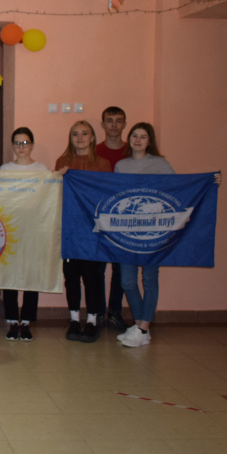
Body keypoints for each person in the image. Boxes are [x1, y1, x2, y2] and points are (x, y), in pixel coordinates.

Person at [114, 122, 221, 347]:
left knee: (149, 279)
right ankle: (140, 327)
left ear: (149, 141)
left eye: (143, 136)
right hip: (128, 233)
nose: (137, 140)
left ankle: (143, 327)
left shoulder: (160, 164)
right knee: (127, 281)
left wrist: (210, 182)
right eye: (134, 135)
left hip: (155, 234)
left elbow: (179, 188)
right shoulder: (121, 165)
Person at [55, 120, 111, 343]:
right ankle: (74, 320)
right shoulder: (63, 162)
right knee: (71, 278)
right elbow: (55, 193)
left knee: (92, 277)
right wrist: (57, 177)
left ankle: (92, 321)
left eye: (84, 133)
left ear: (93, 137)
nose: (79, 138)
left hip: (93, 231)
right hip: (70, 229)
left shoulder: (103, 164)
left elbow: (107, 195)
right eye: (75, 134)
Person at [0, 127, 47, 342]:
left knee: (30, 276)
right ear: (12, 146)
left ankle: (26, 322)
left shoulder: (42, 169)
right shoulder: (5, 170)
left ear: (32, 145)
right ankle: (11, 321)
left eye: (25, 143)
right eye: (17, 143)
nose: (21, 147)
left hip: (33, 230)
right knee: (10, 276)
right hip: (10, 229)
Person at [96, 106, 129, 332]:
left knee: (121, 270)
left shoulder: (132, 151)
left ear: (124, 124)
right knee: (97, 269)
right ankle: (98, 312)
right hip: (99, 220)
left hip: (124, 222)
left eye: (118, 120)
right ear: (103, 125)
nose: (114, 125)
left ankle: (115, 312)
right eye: (109, 120)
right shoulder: (94, 152)